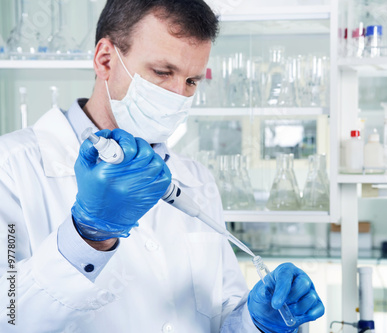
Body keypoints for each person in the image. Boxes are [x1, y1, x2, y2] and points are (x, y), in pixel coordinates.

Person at [0, 0, 324, 332]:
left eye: (192, 81)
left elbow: (219, 313)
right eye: (162, 72)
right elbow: (8, 316)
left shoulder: (196, 178)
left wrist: (256, 321)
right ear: (105, 60)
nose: (177, 95)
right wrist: (87, 236)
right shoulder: (11, 168)